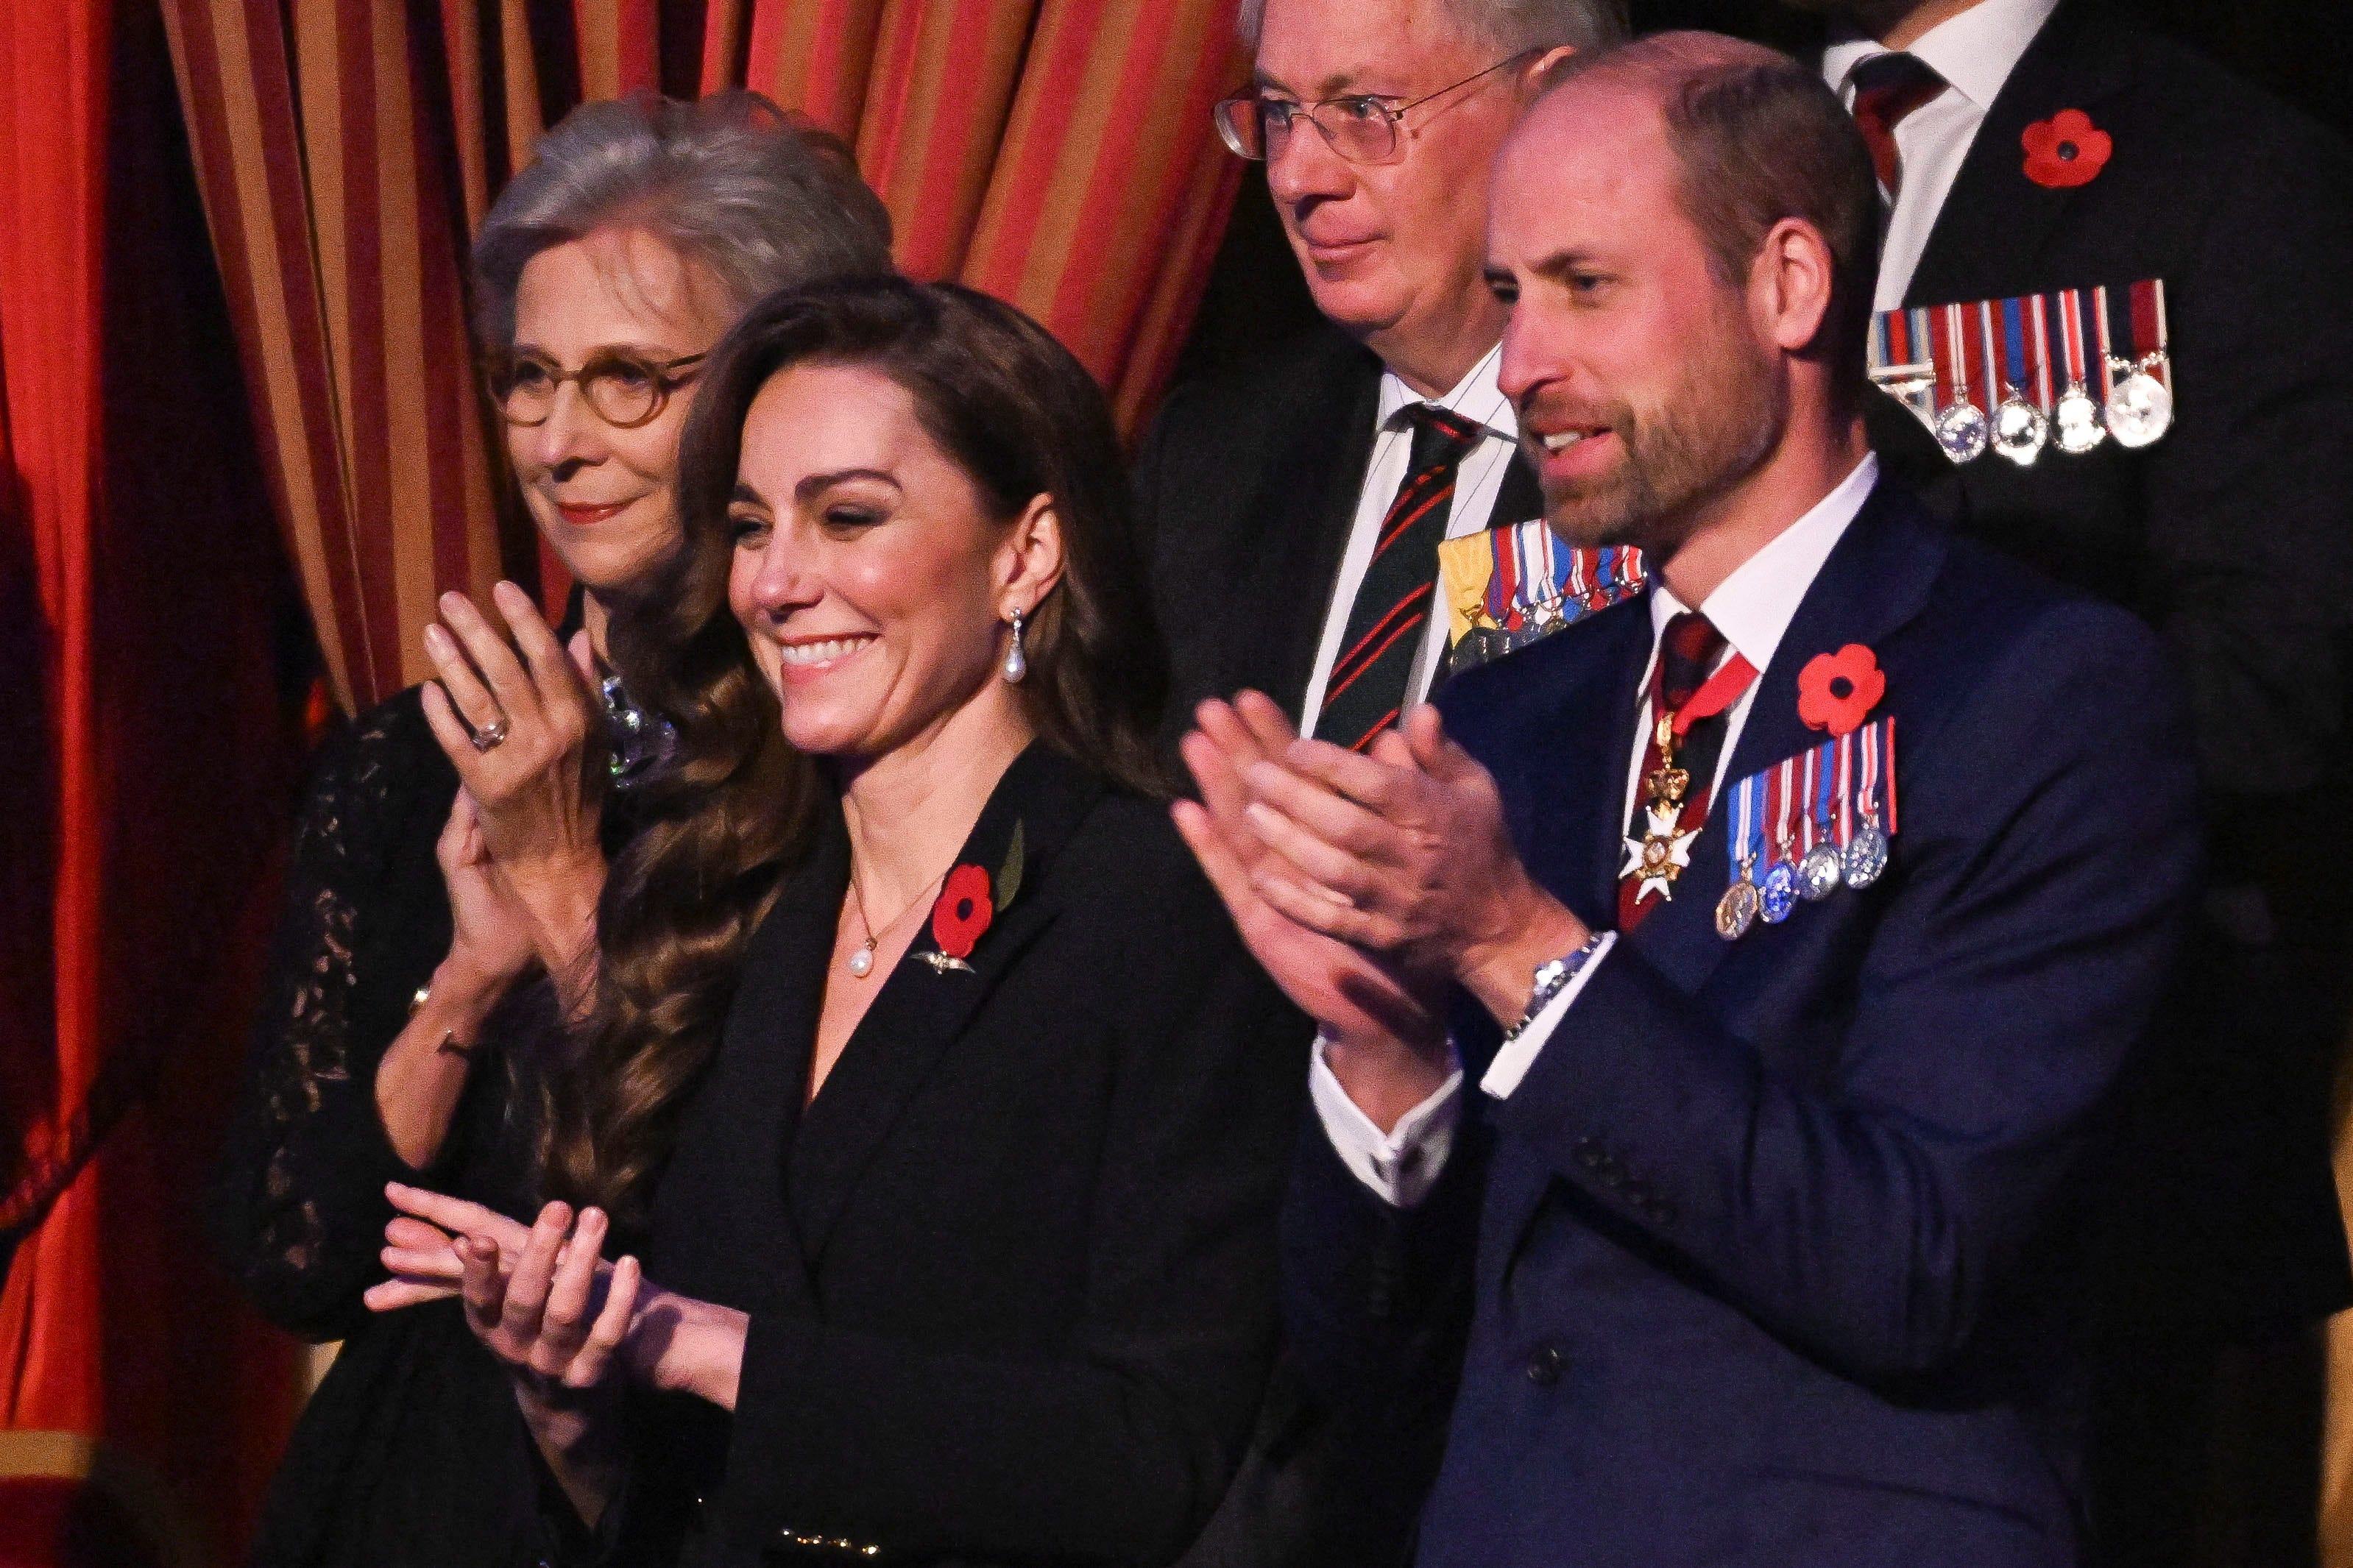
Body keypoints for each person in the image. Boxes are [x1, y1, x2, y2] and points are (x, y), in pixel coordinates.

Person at [1175, 34, 2203, 1565]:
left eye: (1585, 288)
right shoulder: (1509, 718)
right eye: (1511, 297)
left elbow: (1912, 1259)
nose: (1521, 365)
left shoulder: (2036, 694)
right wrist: (1380, 1061)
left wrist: (1517, 946)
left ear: (1786, 285)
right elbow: (1377, 1359)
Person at [367, 277, 1313, 1568]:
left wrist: (702, 1345)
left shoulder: (1159, 903)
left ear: (1025, 552)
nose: (776, 582)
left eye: (848, 517)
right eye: (752, 527)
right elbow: (647, 1504)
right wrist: (567, 1387)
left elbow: (1160, 1454)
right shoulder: (722, 903)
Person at [208, 93, 892, 1568]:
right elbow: (296, 1256)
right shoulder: (414, 759)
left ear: (775, 391)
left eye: (631, 382)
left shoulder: (850, 769)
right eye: (530, 378)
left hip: (677, 1511)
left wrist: (566, 882)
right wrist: (466, 978)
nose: (562, 441)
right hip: (402, 1506)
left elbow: (755, 1253)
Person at [1780, 0, 2353, 1555]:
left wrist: (1871, 806)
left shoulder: (2218, 169)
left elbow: (2275, 671)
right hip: (1706, 1103)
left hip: (2060, 1146)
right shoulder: (1699, 123)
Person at [1137, 0, 1629, 751]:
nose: (1296, 177)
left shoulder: (1682, 454)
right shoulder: (1212, 455)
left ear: (1549, 107)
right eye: (1277, 113)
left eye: (1363, 110)